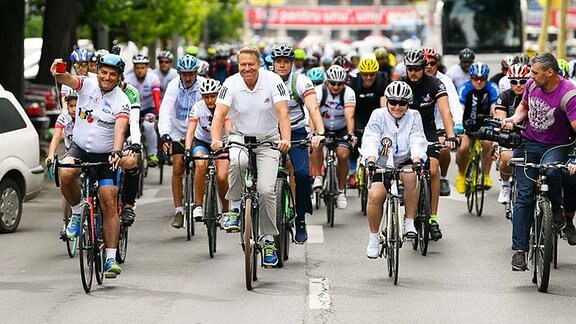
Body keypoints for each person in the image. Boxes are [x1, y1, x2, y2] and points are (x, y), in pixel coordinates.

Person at [210, 45, 291, 267]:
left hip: (268, 140)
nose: (247, 68)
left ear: (259, 65)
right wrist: (216, 139)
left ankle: (268, 241)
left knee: (266, 190)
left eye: (251, 65)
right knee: (237, 160)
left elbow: (283, 112)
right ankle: (234, 209)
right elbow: (219, 114)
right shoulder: (230, 83)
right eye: (243, 64)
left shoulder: (273, 80)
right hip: (240, 137)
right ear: (238, 65)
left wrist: (286, 139)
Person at [51, 53, 130, 279]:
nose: (106, 77)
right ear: (98, 72)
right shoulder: (87, 85)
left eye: (112, 74)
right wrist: (58, 72)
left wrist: (117, 150)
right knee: (65, 173)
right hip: (80, 148)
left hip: (107, 155)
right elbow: (67, 79)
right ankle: (76, 213)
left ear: (118, 77)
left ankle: (111, 258)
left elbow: (120, 129)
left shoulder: (121, 100)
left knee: (108, 199)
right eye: (103, 72)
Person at [502, 53, 576, 271]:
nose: (531, 77)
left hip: (556, 147)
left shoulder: (568, 94)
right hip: (528, 144)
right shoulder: (533, 85)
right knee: (523, 197)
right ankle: (519, 252)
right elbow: (524, 107)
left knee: (553, 173)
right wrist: (515, 119)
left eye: (535, 72)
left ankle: (557, 213)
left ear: (550, 73)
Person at [363, 81, 428, 258]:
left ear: (409, 103)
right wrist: (370, 159)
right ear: (387, 101)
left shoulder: (414, 116)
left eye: (402, 103)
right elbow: (372, 138)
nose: (397, 107)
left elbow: (417, 139)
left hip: (405, 159)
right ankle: (374, 237)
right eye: (393, 102)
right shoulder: (378, 115)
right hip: (380, 161)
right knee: (376, 196)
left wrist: (417, 160)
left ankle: (409, 221)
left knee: (410, 178)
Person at [271, 44, 325, 244]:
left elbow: (312, 107)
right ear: (273, 64)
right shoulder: (265, 80)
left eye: (286, 62)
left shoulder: (301, 81)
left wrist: (319, 131)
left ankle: (300, 218)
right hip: (272, 133)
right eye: (279, 62)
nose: (282, 65)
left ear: (292, 63)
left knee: (302, 175)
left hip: (296, 132)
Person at [401, 49, 458, 241]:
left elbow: (445, 110)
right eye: (410, 69)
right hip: (406, 133)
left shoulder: (434, 83)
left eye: (417, 69)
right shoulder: (401, 85)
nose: (413, 73)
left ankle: (433, 218)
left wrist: (450, 135)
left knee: (433, 170)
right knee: (407, 171)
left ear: (424, 68)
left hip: (428, 131)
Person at [158, 54, 205, 229]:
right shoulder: (173, 86)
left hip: (198, 131)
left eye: (191, 74)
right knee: (178, 166)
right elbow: (165, 111)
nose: (187, 77)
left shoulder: (202, 86)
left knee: (202, 164)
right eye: (184, 74)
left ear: (196, 73)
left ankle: (200, 200)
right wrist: (165, 134)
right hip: (178, 131)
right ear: (179, 73)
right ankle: (179, 210)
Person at [184, 79, 231, 222]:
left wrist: (230, 143)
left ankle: (226, 210)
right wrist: (187, 150)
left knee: (222, 176)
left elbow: (228, 127)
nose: (210, 100)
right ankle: (198, 205)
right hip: (202, 141)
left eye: (213, 96)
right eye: (206, 97)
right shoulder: (197, 108)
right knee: (200, 164)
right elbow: (190, 131)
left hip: (221, 143)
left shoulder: (225, 106)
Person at [311, 64, 357, 209]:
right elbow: (314, 113)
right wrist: (314, 133)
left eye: (339, 84)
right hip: (322, 126)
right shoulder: (318, 91)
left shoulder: (348, 93)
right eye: (333, 83)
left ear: (344, 83)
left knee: (343, 155)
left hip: (341, 128)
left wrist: (350, 134)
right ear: (327, 82)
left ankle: (341, 191)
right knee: (317, 143)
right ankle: (318, 176)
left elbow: (349, 116)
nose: (336, 86)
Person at [423, 47, 463, 197]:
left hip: (439, 124)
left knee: (445, 148)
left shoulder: (445, 81)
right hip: (418, 125)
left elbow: (454, 103)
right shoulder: (416, 78)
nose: (428, 66)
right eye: (425, 63)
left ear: (437, 65)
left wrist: (458, 124)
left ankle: (443, 177)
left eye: (432, 63)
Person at [454, 62, 499, 194]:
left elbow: (494, 108)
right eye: (475, 79)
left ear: (487, 78)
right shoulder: (464, 88)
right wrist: (459, 125)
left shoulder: (492, 87)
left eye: (482, 79)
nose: (479, 82)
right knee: (463, 148)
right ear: (471, 77)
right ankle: (461, 176)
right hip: (467, 123)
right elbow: (460, 108)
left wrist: (497, 122)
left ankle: (485, 175)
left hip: (485, 123)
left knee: (488, 144)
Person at [492, 64, 531, 204]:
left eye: (522, 81)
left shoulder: (534, 94)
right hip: (510, 135)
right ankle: (505, 184)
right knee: (507, 157)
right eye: (514, 82)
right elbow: (500, 118)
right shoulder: (505, 96)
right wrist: (504, 124)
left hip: (530, 135)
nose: (518, 85)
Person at [349, 57, 388, 188]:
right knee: (355, 139)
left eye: (372, 74)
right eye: (365, 74)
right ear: (361, 74)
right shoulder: (354, 83)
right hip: (358, 115)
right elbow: (350, 107)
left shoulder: (381, 83)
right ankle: (352, 171)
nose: (369, 77)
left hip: (374, 115)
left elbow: (383, 107)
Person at [46, 91, 77, 238]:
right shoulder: (63, 116)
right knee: (66, 184)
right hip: (70, 154)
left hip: (87, 153)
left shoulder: (87, 115)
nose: (73, 109)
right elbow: (56, 136)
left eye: (76, 106)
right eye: (70, 106)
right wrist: (51, 156)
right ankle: (67, 222)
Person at [125, 54, 162, 167]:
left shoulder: (153, 78)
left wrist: (158, 115)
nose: (140, 71)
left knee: (148, 125)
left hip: (148, 108)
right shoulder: (128, 78)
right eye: (137, 68)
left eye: (142, 68)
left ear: (147, 67)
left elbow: (157, 99)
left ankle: (152, 154)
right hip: (132, 107)